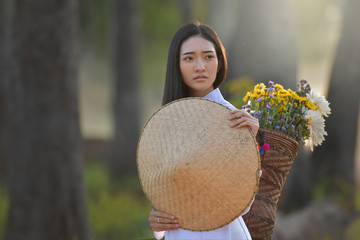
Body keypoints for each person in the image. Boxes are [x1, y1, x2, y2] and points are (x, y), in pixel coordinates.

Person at [148, 22, 259, 240]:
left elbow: (243, 205)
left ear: (219, 63)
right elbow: (163, 199)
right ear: (176, 65)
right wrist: (156, 218)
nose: (200, 66)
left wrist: (249, 144)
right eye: (189, 58)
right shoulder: (166, 124)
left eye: (208, 57)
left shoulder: (234, 119)